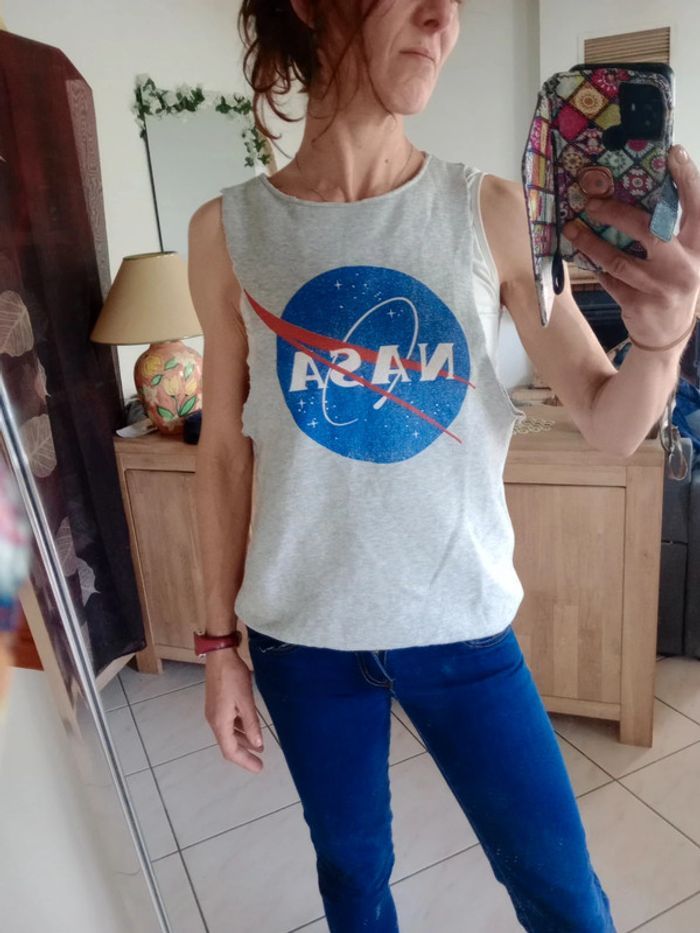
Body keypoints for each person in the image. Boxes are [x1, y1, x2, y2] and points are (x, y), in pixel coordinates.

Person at [187, 2, 700, 930]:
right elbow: (224, 451)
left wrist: (662, 344)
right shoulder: (228, 230)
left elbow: (608, 422)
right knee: (353, 879)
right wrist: (218, 648)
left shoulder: (490, 211)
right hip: (302, 637)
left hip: (464, 628)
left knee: (564, 896)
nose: (443, 19)